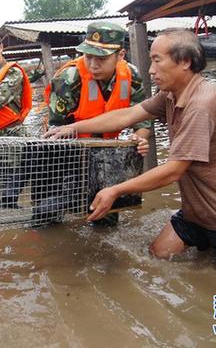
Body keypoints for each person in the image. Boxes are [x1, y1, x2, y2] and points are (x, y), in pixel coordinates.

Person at [46, 28, 216, 274]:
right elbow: (128, 115)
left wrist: (115, 190)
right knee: (157, 255)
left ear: (185, 62)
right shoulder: (170, 94)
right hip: (196, 212)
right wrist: (72, 128)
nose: (150, 69)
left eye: (157, 60)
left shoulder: (201, 105)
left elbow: (172, 171)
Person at [46, 22, 151, 225]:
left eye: (101, 58)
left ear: (120, 55)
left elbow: (143, 121)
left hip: (108, 153)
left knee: (107, 215)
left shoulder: (132, 76)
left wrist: (139, 138)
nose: (93, 64)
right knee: (53, 213)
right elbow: (54, 130)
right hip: (70, 151)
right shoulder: (69, 78)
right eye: (88, 56)